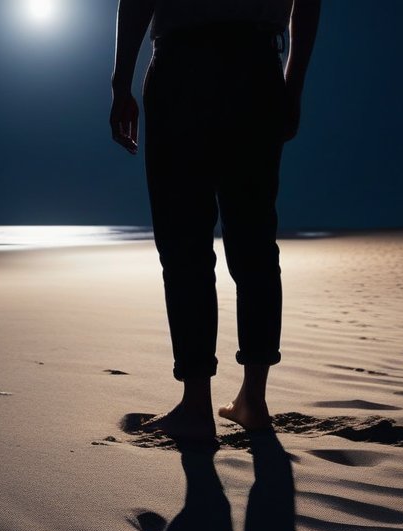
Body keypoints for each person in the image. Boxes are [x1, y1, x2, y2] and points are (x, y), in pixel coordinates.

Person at [110, 0, 321, 440]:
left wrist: (120, 82)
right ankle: (253, 399)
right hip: (256, 67)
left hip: (182, 66)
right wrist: (292, 84)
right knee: (254, 242)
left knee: (184, 243)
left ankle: (196, 404)